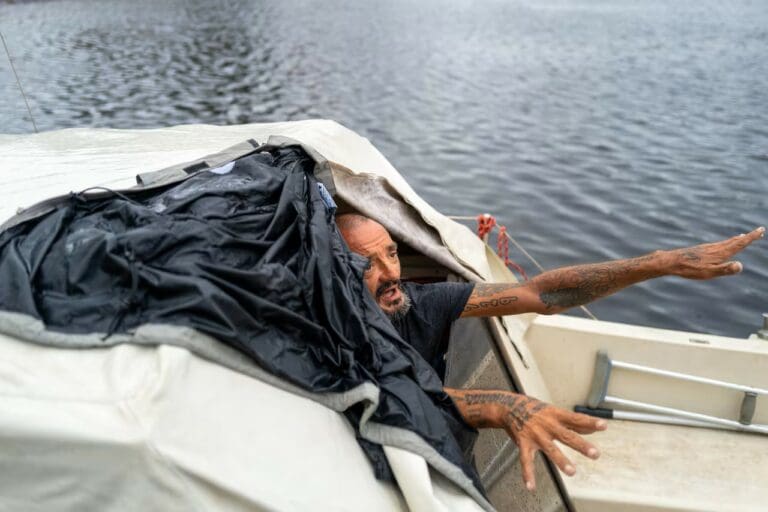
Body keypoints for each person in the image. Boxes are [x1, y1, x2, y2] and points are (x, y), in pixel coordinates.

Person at [336, 213, 764, 491]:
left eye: (392, 252)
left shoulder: (423, 302)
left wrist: (658, 264)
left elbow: (540, 294)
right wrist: (499, 406)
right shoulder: (330, 330)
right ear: (337, 271)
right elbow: (382, 389)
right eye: (368, 264)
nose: (392, 272)